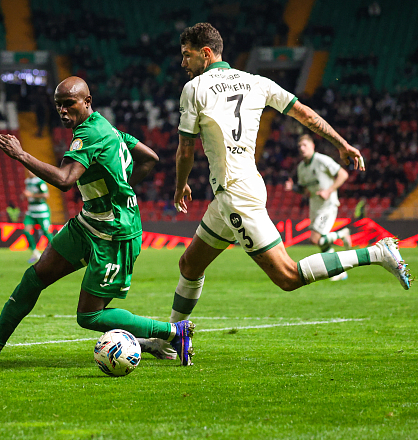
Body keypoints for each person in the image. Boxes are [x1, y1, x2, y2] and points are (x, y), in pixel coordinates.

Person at [138, 23, 412, 360]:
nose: (183, 63)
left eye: (187, 55)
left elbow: (185, 150)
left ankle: (377, 253)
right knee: (190, 265)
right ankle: (171, 340)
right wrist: (341, 143)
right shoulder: (257, 82)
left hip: (235, 194)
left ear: (205, 54)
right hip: (240, 189)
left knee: (288, 276)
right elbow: (304, 113)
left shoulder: (194, 89)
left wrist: (180, 184)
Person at [0, 76, 196, 366]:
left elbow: (65, 180)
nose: (63, 110)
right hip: (89, 222)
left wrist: (21, 155)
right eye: (58, 105)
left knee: (89, 316)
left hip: (114, 233)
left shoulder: (89, 133)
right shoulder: (104, 127)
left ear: (87, 101)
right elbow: (149, 158)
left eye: (69, 103)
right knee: (35, 277)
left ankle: (173, 332)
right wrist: (120, 187)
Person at [285, 134, 352, 281]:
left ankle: (342, 234)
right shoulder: (301, 168)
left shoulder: (322, 160)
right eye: (300, 146)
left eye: (305, 145)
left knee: (315, 239)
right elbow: (305, 190)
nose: (302, 148)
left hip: (327, 206)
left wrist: (329, 190)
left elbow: (343, 174)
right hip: (315, 207)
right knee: (320, 243)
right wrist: (293, 188)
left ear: (312, 146)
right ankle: (340, 272)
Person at [22, 168, 54, 263]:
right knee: (26, 230)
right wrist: (24, 196)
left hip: (41, 211)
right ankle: (35, 253)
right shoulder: (27, 181)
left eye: (31, 170)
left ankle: (57, 252)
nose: (30, 172)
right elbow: (28, 194)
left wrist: (31, 195)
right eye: (28, 170)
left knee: (46, 232)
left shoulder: (40, 182)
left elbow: (46, 195)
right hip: (31, 210)